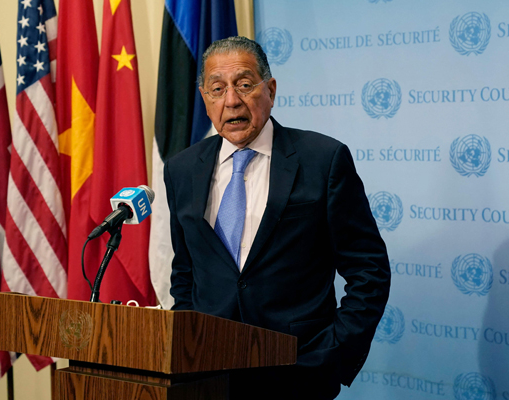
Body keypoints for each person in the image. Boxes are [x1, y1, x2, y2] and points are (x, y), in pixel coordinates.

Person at [163, 36, 391, 400]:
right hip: (207, 376)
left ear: (270, 89)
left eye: (244, 84)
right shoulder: (182, 169)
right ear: (205, 98)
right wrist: (191, 344)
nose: (232, 101)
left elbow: (369, 270)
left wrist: (331, 354)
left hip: (298, 373)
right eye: (217, 89)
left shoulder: (323, 160)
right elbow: (186, 269)